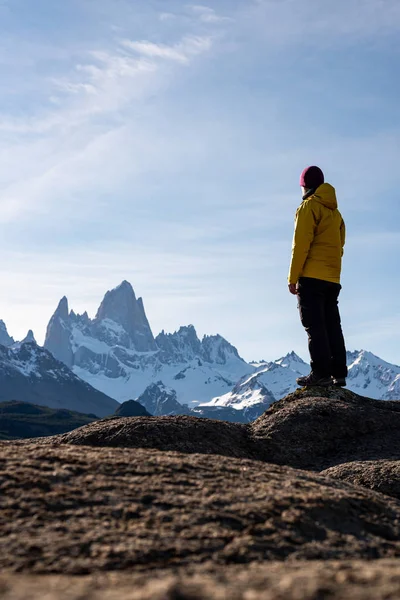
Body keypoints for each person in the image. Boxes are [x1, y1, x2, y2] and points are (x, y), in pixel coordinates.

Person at [288, 166, 347, 387]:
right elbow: (340, 245)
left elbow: (300, 245)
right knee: (333, 325)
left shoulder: (308, 207)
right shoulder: (336, 213)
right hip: (333, 278)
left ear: (305, 186)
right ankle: (338, 373)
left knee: (314, 325)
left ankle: (320, 373)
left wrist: (293, 277)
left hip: (311, 276)